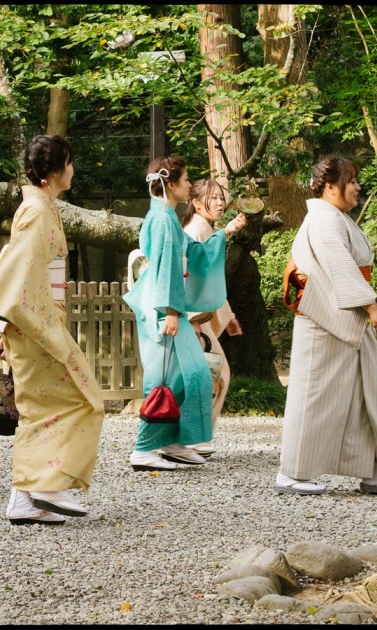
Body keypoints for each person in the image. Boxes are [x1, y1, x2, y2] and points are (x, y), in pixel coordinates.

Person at [0, 134, 104, 526]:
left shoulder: (42, 206)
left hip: (35, 318)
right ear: (56, 171)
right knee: (77, 399)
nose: (73, 170)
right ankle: (45, 484)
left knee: (40, 406)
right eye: (70, 163)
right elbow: (16, 265)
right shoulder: (39, 210)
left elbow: (18, 262)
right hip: (35, 322)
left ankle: (24, 499)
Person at [275, 156, 377, 496]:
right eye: (352, 181)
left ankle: (376, 471)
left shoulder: (333, 217)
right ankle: (293, 472)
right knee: (313, 395)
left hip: (343, 316)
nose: (357, 187)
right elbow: (341, 267)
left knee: (365, 393)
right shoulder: (323, 220)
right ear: (330, 186)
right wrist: (372, 307)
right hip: (323, 320)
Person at [123, 157, 244, 472]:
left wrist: (225, 233)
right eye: (186, 179)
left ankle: (172, 441)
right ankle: (143, 449)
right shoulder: (163, 220)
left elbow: (193, 252)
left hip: (165, 305)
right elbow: (168, 269)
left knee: (189, 375)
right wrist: (172, 312)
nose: (189, 185)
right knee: (165, 378)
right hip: (163, 308)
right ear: (170, 184)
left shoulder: (165, 216)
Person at [181, 179, 247, 456]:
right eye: (213, 198)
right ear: (196, 204)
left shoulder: (203, 228)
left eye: (222, 197)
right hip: (192, 316)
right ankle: (193, 437)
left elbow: (210, 279)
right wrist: (195, 320)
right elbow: (192, 276)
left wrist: (227, 316)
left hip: (198, 314)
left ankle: (195, 436)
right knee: (213, 374)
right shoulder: (195, 230)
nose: (220, 203)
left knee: (210, 374)